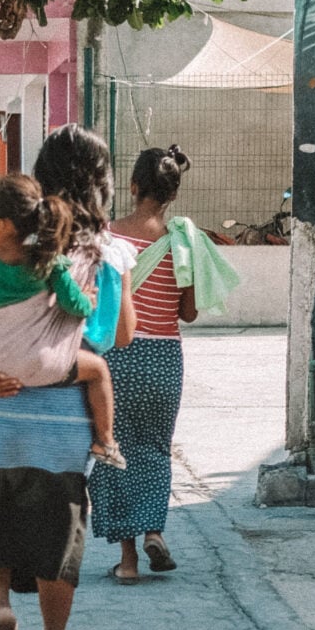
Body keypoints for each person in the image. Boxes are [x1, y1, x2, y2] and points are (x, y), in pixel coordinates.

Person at [0, 124, 135, 630]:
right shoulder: (107, 251)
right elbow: (120, 336)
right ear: (102, 183)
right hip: (63, 414)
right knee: (61, 528)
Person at [88, 144, 239, 584]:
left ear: (132, 187)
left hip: (115, 358)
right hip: (164, 360)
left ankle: (129, 560)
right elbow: (188, 313)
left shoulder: (109, 237)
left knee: (113, 449)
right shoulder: (184, 242)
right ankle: (154, 529)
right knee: (155, 448)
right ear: (172, 194)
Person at [0, 173, 125, 469]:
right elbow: (76, 306)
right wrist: (89, 300)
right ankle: (106, 441)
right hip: (49, 368)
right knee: (98, 370)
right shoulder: (50, 263)